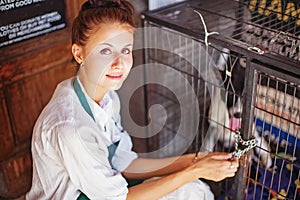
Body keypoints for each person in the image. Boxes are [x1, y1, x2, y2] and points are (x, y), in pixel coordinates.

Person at [26, 0, 239, 199]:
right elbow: (118, 198)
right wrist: (196, 170)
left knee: (192, 190)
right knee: (190, 189)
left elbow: (124, 163)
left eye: (125, 50)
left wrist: (195, 160)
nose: (119, 63)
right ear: (79, 53)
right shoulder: (70, 128)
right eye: (106, 50)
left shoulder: (106, 97)